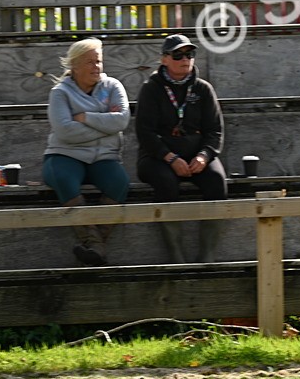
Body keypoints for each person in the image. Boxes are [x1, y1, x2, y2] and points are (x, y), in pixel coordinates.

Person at [135, 35, 227, 263]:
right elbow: (144, 133)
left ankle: (207, 256)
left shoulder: (203, 89)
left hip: (196, 155)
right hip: (157, 156)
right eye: (178, 55)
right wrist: (170, 157)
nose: (185, 59)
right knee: (166, 182)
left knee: (217, 180)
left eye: (189, 54)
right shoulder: (151, 89)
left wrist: (204, 156)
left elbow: (215, 131)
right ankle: (175, 255)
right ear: (164, 59)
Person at [43, 37, 131, 266]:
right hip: (65, 154)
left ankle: (94, 245)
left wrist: (84, 118)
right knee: (63, 179)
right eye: (90, 62)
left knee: (119, 182)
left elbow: (122, 120)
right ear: (75, 66)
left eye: (98, 61)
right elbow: (65, 131)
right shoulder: (60, 93)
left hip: (103, 157)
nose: (96, 67)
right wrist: (105, 126)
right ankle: (96, 244)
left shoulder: (113, 86)